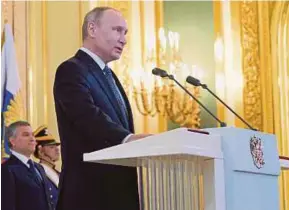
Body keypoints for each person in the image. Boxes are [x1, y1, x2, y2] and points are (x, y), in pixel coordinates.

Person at [53, 6, 151, 210]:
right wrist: (128, 139)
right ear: (92, 29)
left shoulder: (110, 75)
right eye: (117, 30)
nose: (124, 39)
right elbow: (86, 116)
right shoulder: (71, 69)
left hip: (119, 192)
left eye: (125, 33)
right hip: (89, 194)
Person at [1, 121, 53, 210]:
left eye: (32, 135)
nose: (32, 138)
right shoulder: (6, 170)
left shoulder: (39, 167)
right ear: (12, 141)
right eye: (26, 135)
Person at [34, 125, 61, 210]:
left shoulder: (58, 173)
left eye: (56, 146)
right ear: (40, 150)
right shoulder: (36, 172)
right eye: (51, 147)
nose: (57, 149)